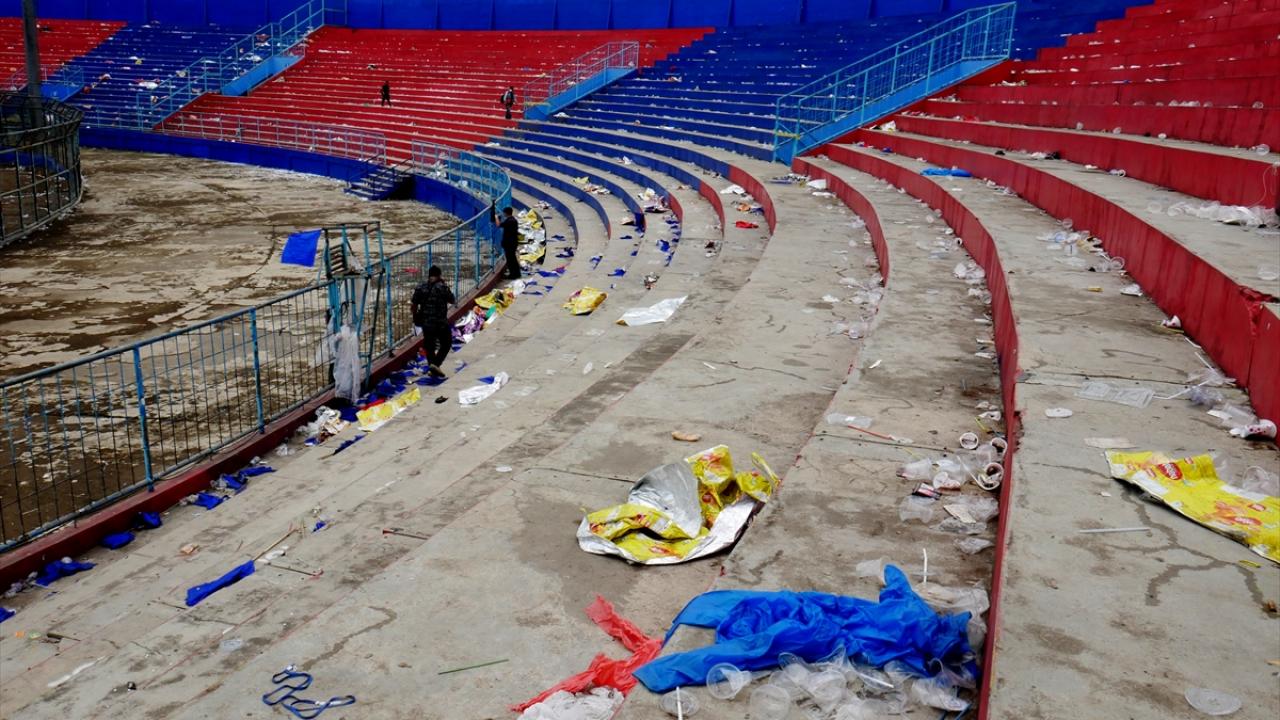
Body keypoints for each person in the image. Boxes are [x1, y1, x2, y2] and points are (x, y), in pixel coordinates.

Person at [411, 265, 455, 377]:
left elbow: (414, 304)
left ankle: (432, 367)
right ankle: (436, 364)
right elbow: (452, 300)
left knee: (429, 346)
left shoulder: (421, 287)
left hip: (426, 323)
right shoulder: (442, 287)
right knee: (446, 343)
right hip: (440, 323)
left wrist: (415, 317)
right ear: (439, 275)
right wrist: (444, 285)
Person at [491, 203, 521, 279]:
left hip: (510, 243)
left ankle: (513, 274)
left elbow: (498, 225)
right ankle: (516, 273)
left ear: (506, 213)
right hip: (513, 242)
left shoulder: (509, 221)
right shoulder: (513, 220)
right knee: (512, 258)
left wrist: (496, 217)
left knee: (511, 259)